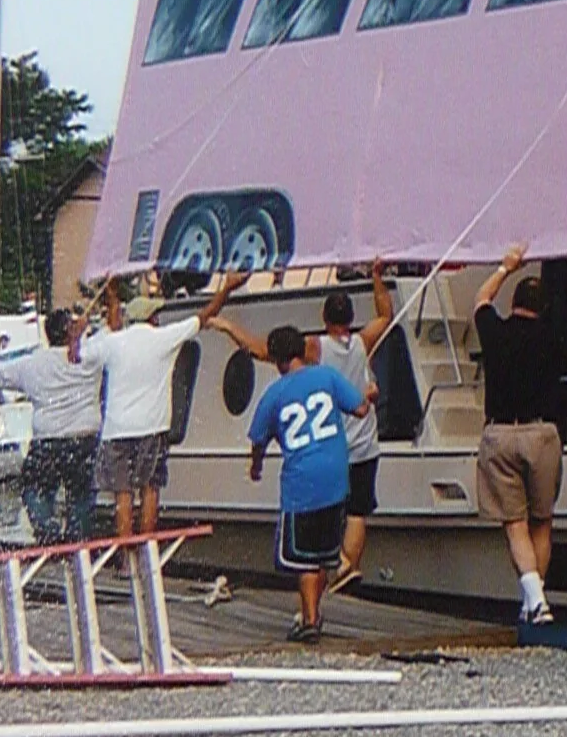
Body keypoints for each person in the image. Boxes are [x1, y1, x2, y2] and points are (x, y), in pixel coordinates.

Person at [209, 258, 397, 592]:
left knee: (323, 522)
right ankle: (348, 565)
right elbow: (385, 315)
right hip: (365, 443)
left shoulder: (316, 348)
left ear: (325, 320)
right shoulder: (362, 341)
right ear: (350, 318)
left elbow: (264, 350)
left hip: (333, 445)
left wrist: (228, 327)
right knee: (358, 512)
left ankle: (330, 573)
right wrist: (377, 279)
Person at [473, 244, 567, 625]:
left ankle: (535, 601)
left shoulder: (494, 331)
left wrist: (505, 267)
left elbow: (481, 299)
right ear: (544, 307)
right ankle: (534, 601)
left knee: (514, 523)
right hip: (543, 434)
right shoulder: (556, 335)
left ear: (514, 303)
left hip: (501, 433)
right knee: (542, 521)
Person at [70, 272, 237, 543]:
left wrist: (76, 336)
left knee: (122, 494)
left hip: (117, 429)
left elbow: (76, 358)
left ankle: (126, 553)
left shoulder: (112, 342)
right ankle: (147, 549)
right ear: (152, 318)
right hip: (152, 427)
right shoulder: (163, 338)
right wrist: (227, 287)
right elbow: (205, 316)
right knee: (150, 488)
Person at [247, 324, 371, 641]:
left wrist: (256, 467)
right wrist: (369, 394)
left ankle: (310, 620)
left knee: (303, 558)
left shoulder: (273, 395)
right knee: (322, 554)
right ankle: (316, 605)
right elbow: (360, 408)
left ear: (277, 360)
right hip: (336, 476)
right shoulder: (326, 377)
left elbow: (258, 439)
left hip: (301, 483)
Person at [0, 309, 102, 544]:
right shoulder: (91, 358)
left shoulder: (33, 364)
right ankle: (78, 543)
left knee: (35, 490)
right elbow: (108, 337)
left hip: (48, 438)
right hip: (84, 436)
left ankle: (48, 535)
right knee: (81, 495)